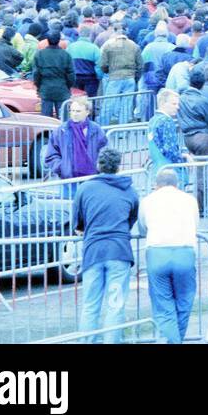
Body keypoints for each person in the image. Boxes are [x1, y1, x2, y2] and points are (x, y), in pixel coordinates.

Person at [72, 147, 140, 343]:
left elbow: (77, 222)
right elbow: (131, 219)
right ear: (118, 167)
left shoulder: (85, 188)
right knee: (115, 304)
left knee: (90, 304)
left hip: (93, 251)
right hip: (119, 251)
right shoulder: (130, 191)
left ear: (98, 165)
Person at [138, 166, 199, 344]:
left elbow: (142, 228)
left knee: (163, 305)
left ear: (156, 185)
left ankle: (172, 340)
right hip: (184, 252)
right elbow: (196, 225)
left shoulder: (147, 200)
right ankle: (177, 339)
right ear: (177, 184)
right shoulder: (189, 200)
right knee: (184, 300)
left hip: (157, 252)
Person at [44, 94, 108, 192]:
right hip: (69, 181)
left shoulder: (96, 130)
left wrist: (99, 167)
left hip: (92, 179)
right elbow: (51, 155)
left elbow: (105, 151)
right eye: (72, 111)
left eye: (78, 111)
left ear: (87, 112)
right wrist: (62, 168)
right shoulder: (61, 130)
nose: (75, 114)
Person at [32, 30, 75, 120]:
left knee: (46, 119)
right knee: (63, 118)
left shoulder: (39, 54)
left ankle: (47, 134)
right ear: (59, 40)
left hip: (46, 89)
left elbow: (36, 74)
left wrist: (39, 86)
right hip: (62, 88)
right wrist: (68, 86)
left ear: (47, 40)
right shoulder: (65, 55)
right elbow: (71, 74)